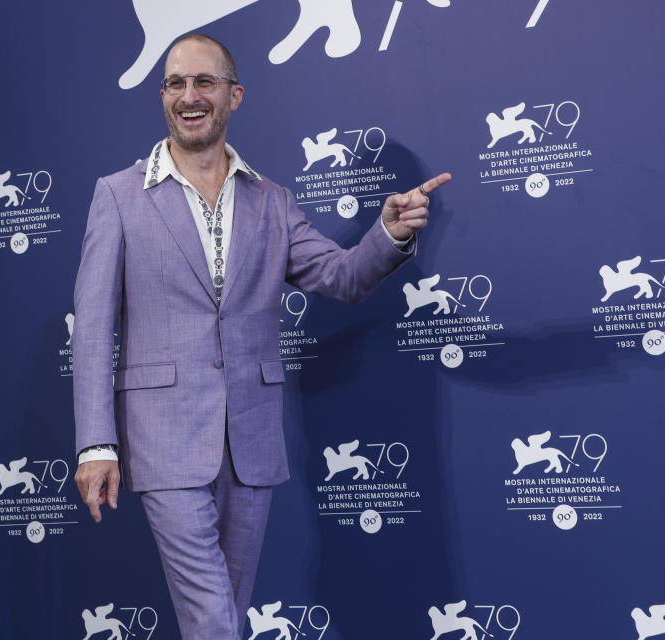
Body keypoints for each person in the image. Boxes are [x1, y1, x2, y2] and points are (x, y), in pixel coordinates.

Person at [72, 33, 450, 640]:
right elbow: (91, 328)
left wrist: (387, 234)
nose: (188, 96)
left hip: (250, 442)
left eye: (204, 82)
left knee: (224, 616)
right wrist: (96, 444)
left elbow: (340, 276)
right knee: (215, 621)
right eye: (175, 83)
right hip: (164, 438)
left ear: (234, 95)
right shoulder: (118, 195)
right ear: (163, 96)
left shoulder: (272, 202)